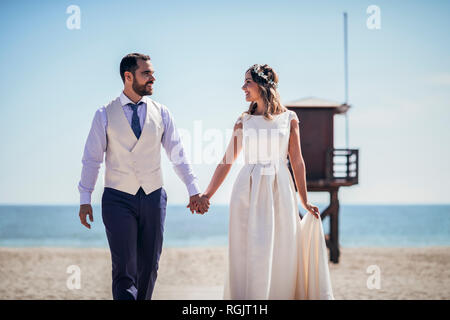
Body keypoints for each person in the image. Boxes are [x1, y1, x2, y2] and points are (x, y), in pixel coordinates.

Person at [189, 64, 334, 299]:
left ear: (263, 85)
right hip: (247, 189)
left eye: (248, 82)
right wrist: (207, 195)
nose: (243, 87)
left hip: (280, 188)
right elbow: (226, 161)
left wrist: (304, 201)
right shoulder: (243, 120)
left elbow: (297, 162)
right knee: (249, 250)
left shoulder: (289, 119)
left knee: (283, 247)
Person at [77, 53, 210, 300]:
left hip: (153, 196)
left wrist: (193, 190)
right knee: (124, 269)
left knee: (149, 267)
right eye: (146, 73)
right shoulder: (104, 114)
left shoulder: (162, 113)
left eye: (152, 73)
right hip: (117, 198)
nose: (153, 78)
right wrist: (85, 197)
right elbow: (92, 159)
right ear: (128, 77)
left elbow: (177, 154)